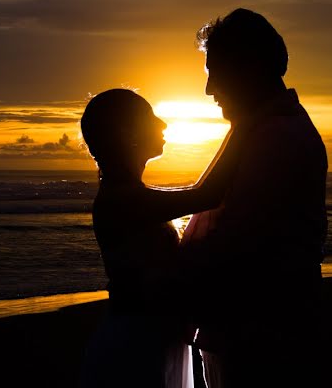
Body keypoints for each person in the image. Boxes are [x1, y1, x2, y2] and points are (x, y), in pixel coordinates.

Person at [179, 9, 329, 387]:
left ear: (249, 68)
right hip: (248, 329)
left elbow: (243, 244)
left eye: (216, 72)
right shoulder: (257, 129)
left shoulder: (277, 137)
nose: (209, 89)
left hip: (258, 336)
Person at [79, 88, 241, 388]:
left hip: (150, 339)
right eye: (150, 117)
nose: (163, 124)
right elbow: (207, 195)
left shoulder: (128, 195)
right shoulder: (121, 200)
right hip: (133, 348)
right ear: (126, 133)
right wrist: (243, 125)